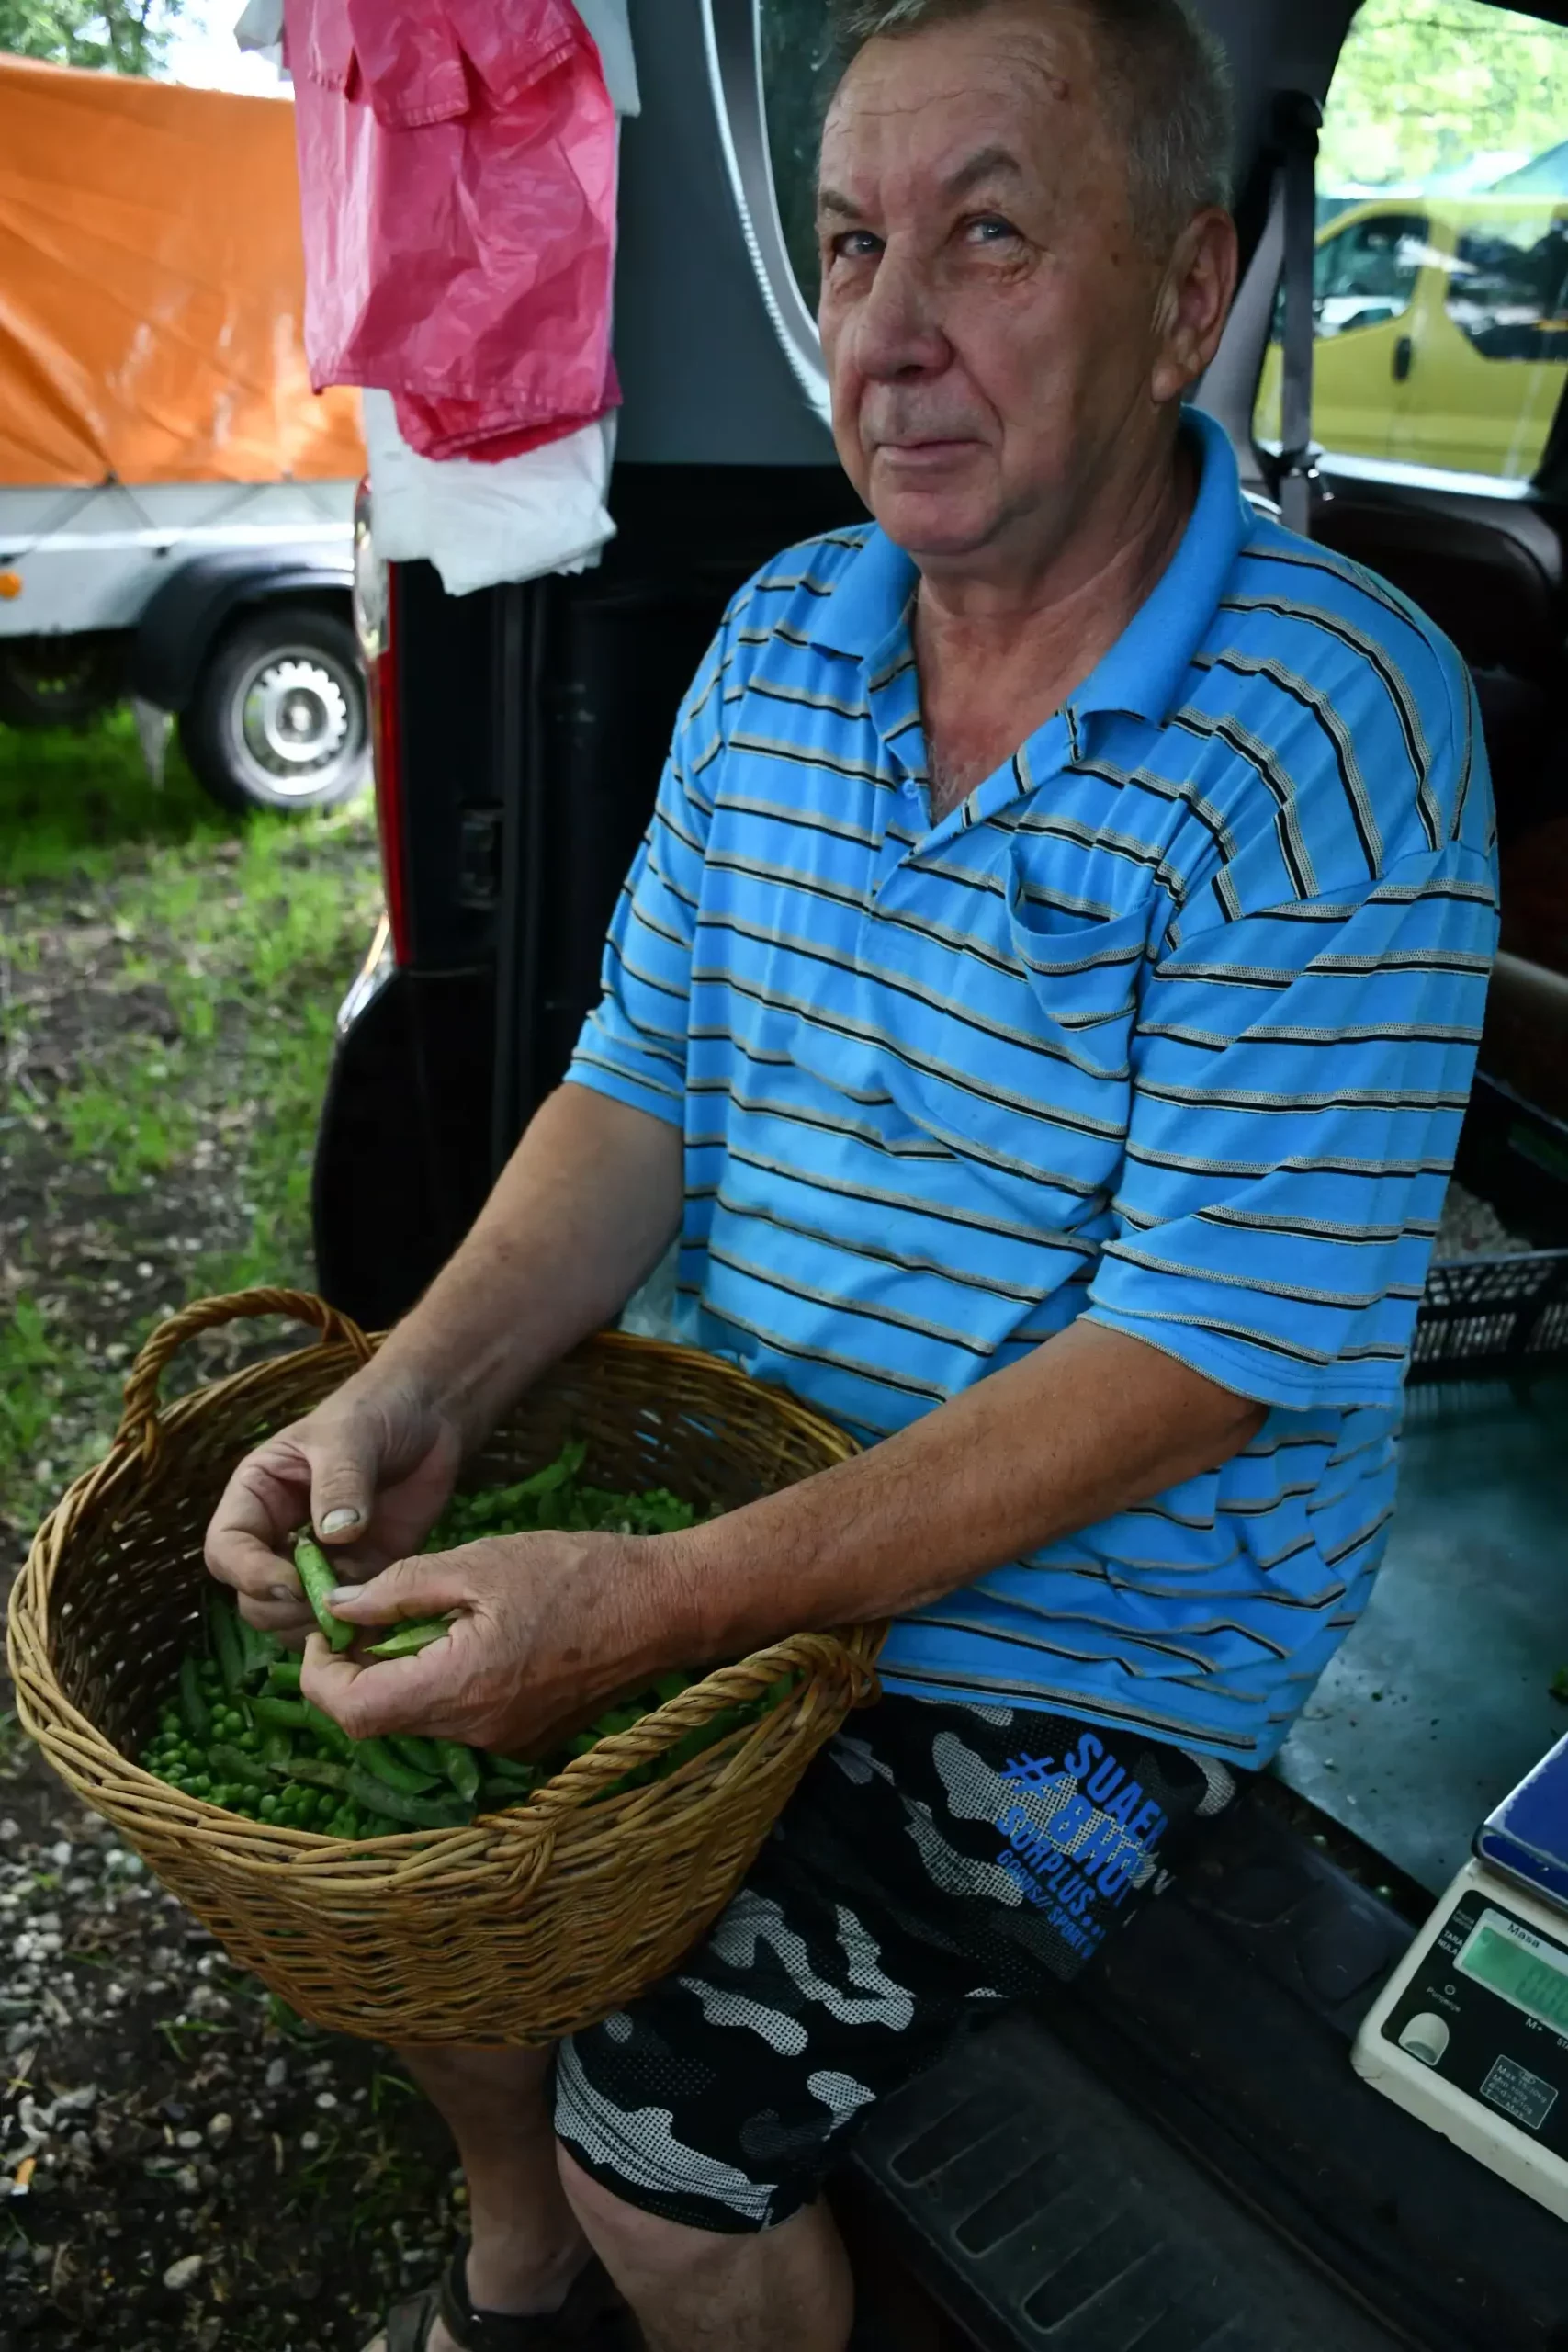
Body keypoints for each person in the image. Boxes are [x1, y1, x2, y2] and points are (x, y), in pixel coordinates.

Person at [205, 2, 1499, 2346]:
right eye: (846, 243)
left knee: (672, 2158)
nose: (884, 335)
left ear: (1189, 295)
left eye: (986, 237)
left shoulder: (1334, 725)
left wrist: (661, 1597)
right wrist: (408, 1392)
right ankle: (518, 2274)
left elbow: (1195, 1364)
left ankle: (610, 2241)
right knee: (388, 1862)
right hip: (736, 1503)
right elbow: (636, 1092)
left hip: (1098, 1668)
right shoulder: (778, 641)